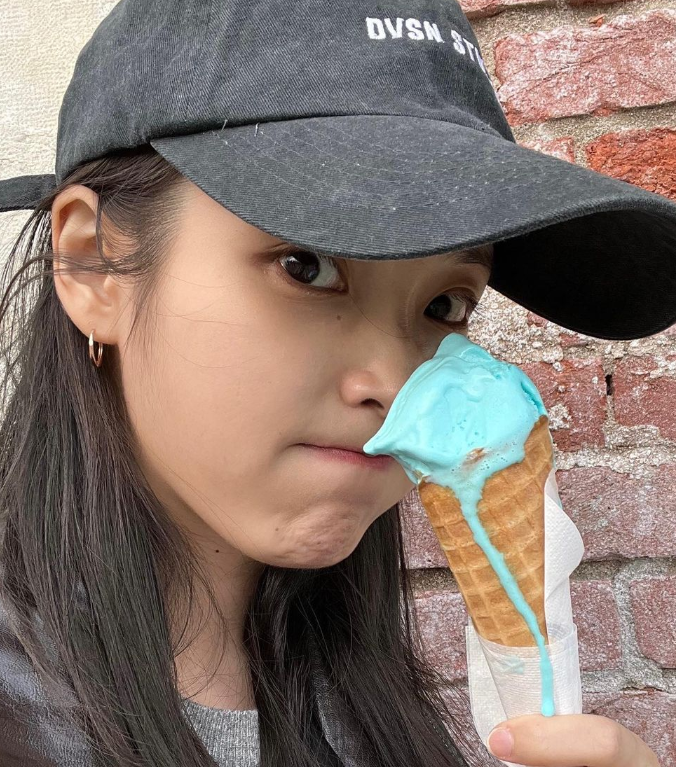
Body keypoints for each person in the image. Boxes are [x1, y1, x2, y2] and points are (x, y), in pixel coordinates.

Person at [0, 1, 673, 766]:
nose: (394, 383)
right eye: (307, 266)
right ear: (93, 262)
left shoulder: (368, 713)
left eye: (443, 306)